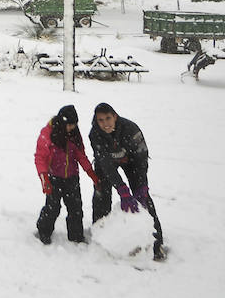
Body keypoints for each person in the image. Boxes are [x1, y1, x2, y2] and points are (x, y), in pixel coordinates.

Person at [90, 102, 166, 260]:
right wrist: (122, 190)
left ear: (115, 117)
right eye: (101, 120)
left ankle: (156, 243)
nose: (105, 124)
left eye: (108, 118)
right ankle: (100, 234)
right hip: (107, 164)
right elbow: (105, 165)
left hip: (132, 162)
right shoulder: (95, 134)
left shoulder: (131, 129)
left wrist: (142, 186)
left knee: (144, 199)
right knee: (101, 193)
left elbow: (142, 158)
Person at [34, 105, 98, 245]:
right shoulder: (48, 133)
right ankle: (44, 231)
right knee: (53, 208)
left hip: (72, 177)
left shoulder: (74, 135)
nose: (71, 128)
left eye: (74, 125)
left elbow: (80, 155)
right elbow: (40, 157)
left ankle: (76, 235)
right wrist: (45, 179)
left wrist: (90, 172)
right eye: (69, 125)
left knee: (75, 208)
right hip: (53, 177)